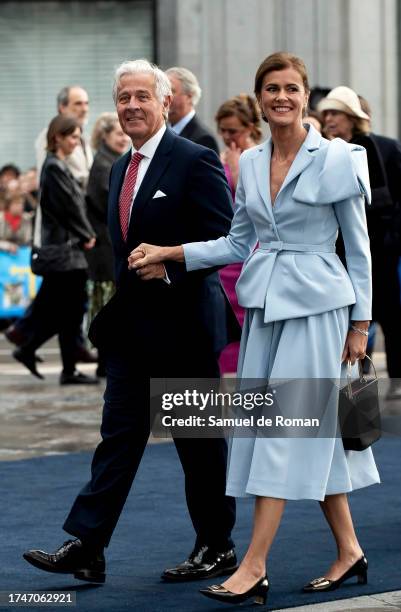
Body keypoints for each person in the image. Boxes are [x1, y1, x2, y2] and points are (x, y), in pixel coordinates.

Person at [128, 52, 380, 606]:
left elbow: (359, 252)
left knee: (285, 432)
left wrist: (361, 325)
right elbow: (237, 243)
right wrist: (172, 251)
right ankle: (350, 551)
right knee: (308, 432)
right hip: (264, 313)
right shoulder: (251, 159)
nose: (281, 97)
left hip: (319, 310)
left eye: (291, 88)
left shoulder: (338, 159)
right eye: (271, 89)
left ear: (306, 95)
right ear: (260, 97)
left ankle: (254, 565)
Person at [23, 59, 238, 585]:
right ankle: (88, 546)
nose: (132, 106)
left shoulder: (195, 159)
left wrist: (172, 258)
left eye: (143, 96)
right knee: (117, 439)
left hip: (185, 326)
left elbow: (226, 238)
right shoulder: (121, 165)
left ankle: (217, 547)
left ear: (166, 102)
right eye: (124, 97)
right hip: (132, 332)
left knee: (199, 447)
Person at [318, 86, 401, 399]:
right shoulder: (325, 148)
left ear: (352, 117)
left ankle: (390, 382)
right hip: (337, 252)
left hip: (375, 249)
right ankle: (348, 389)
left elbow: (383, 199)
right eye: (326, 113)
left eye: (335, 112)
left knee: (385, 317)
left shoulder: (371, 147)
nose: (328, 119)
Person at [12, 115, 98, 385]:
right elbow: (70, 207)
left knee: (66, 312)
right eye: (72, 136)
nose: (76, 142)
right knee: (68, 312)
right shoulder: (54, 167)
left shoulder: (57, 166)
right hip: (66, 253)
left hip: (66, 251)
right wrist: (87, 234)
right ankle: (35, 349)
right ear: (57, 137)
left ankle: (36, 350)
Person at [215, 94, 262, 374]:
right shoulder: (221, 156)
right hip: (225, 256)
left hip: (251, 251)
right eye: (223, 130)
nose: (227, 136)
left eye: (233, 130)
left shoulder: (258, 156)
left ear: (249, 128)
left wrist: (236, 168)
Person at [85, 112, 130, 377]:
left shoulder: (111, 160)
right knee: (106, 305)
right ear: (105, 136)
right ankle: (105, 362)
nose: (123, 138)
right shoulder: (105, 164)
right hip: (104, 249)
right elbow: (109, 206)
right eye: (118, 134)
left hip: (107, 248)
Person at [35, 86, 93, 188]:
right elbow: (47, 180)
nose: (84, 109)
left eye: (86, 103)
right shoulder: (49, 135)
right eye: (78, 104)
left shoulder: (84, 137)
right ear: (62, 108)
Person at [166, 66, 219, 154]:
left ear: (190, 96)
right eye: (162, 92)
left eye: (171, 91)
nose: (165, 97)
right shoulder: (162, 132)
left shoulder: (203, 139)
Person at [0, 187, 33, 253]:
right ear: (8, 205)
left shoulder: (26, 218)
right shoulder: (1, 218)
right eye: (16, 204)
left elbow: (28, 240)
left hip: (21, 251)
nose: (20, 206)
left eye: (21, 204)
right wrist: (6, 246)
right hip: (2, 251)